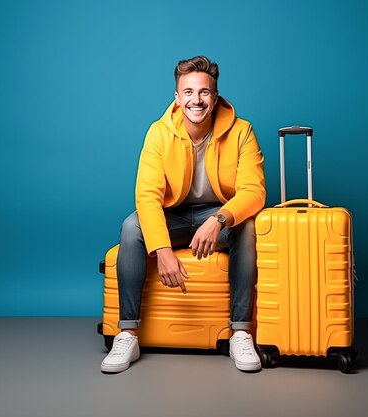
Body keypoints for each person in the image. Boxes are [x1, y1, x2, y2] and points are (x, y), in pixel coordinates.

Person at [101, 56, 266, 373]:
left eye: (204, 92)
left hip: (219, 215)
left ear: (215, 97)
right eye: (188, 92)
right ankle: (127, 333)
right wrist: (161, 250)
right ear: (177, 98)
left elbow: (254, 191)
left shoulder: (242, 131)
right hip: (174, 216)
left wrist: (219, 220)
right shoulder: (158, 133)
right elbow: (147, 196)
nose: (196, 100)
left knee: (248, 226)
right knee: (131, 227)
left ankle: (241, 332)